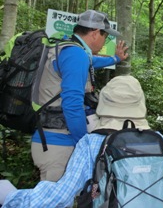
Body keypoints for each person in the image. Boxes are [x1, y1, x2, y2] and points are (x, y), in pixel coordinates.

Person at [1, 75, 163, 208]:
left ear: (104, 101)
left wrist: (11, 196)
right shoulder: (160, 141)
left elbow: (61, 196)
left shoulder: (92, 143)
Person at [31, 9, 129, 182]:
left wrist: (115, 59)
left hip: (48, 138)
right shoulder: (76, 54)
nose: (105, 41)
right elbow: (72, 104)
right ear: (95, 33)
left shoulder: (68, 48)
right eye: (105, 36)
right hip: (59, 144)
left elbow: (93, 61)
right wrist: (84, 144)